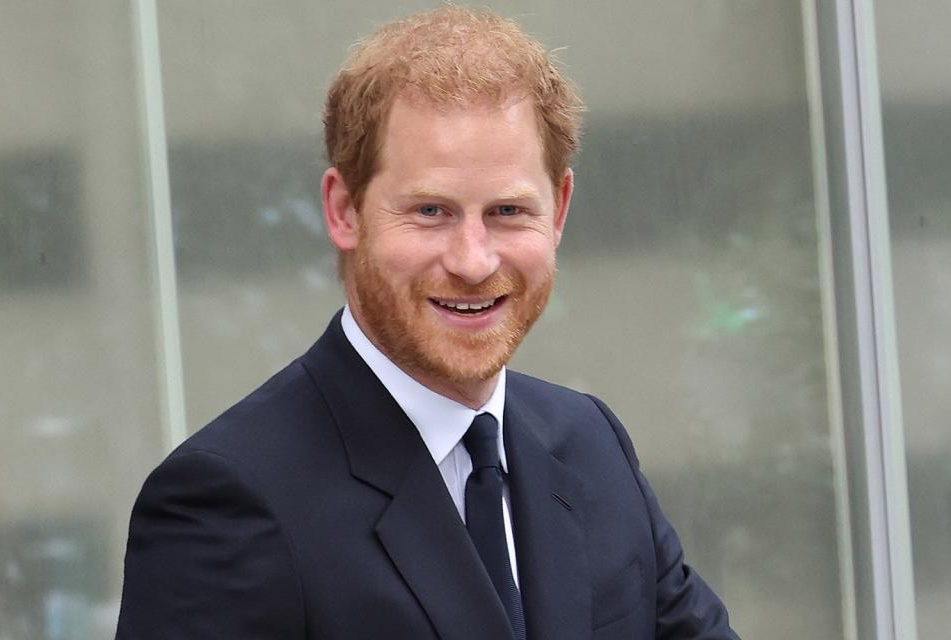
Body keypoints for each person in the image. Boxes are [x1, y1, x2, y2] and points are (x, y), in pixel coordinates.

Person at [116, 6, 739, 639]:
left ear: (559, 211)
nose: (473, 261)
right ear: (344, 210)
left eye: (507, 211)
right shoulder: (229, 502)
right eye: (431, 210)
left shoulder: (592, 446)